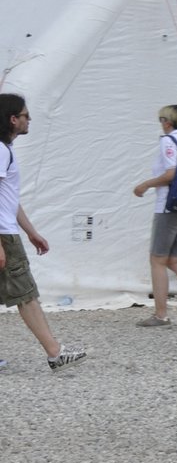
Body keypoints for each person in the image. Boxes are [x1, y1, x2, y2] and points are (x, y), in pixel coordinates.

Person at [0, 93, 87, 370]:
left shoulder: (5, 150)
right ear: (13, 119)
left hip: (8, 230)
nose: (30, 120)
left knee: (24, 293)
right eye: (26, 115)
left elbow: (8, 198)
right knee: (25, 294)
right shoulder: (1, 150)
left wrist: (31, 231)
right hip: (3, 234)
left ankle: (54, 351)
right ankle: (55, 352)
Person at [131, 104, 177, 327]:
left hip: (170, 207)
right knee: (174, 260)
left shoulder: (168, 141)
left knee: (158, 260)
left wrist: (145, 184)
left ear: (167, 122)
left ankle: (161, 314)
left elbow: (171, 173)